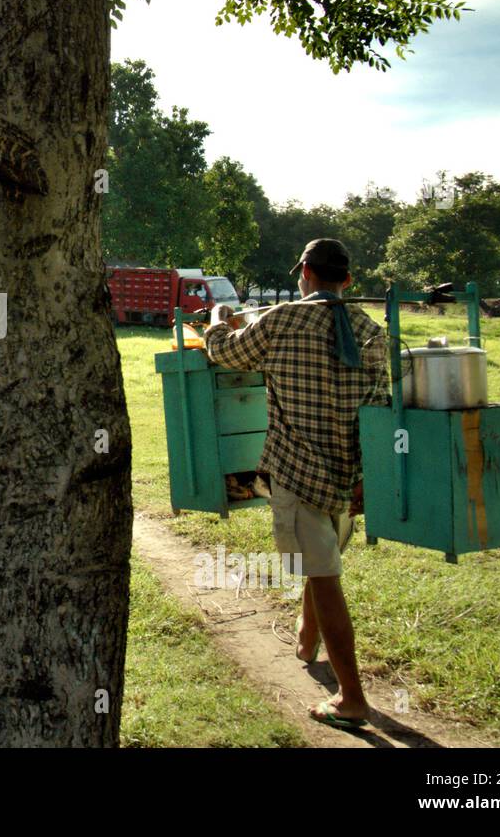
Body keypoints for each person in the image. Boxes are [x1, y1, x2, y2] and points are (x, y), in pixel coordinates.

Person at [202, 238, 388, 731]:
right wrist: (368, 477)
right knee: (321, 560)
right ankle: (307, 640)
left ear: (304, 273)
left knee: (324, 579)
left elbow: (225, 352)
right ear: (347, 280)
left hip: (299, 474)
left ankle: (352, 699)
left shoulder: (282, 320)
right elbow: (380, 408)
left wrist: (220, 317)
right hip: (349, 478)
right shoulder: (370, 330)